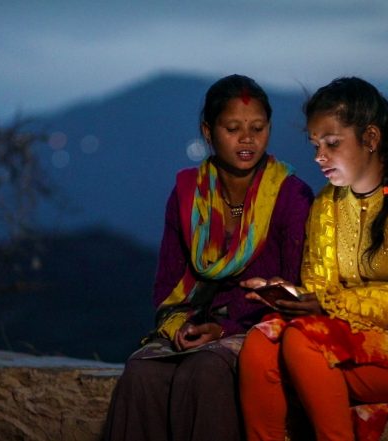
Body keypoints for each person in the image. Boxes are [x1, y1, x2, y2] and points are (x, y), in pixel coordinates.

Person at [238, 76, 388, 441]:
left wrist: (330, 305)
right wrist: (292, 295)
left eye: (332, 143)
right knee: (260, 343)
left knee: (304, 342)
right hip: (351, 337)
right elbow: (322, 290)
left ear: (371, 138)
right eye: (316, 145)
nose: (319, 156)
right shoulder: (327, 205)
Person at [102, 74, 314, 441]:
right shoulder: (188, 195)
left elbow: (294, 292)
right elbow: (169, 284)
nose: (247, 139)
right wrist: (182, 329)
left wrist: (224, 330)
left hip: (262, 328)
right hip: (196, 324)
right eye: (233, 129)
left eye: (258, 128)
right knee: (142, 373)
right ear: (208, 131)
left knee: (203, 370)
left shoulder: (290, 197)